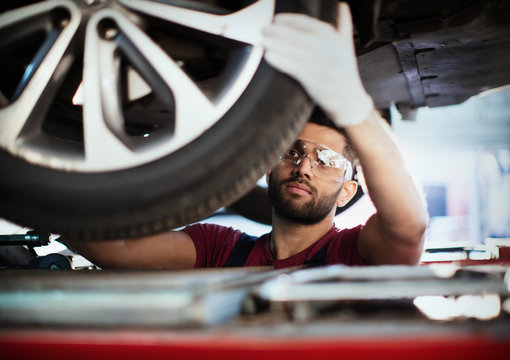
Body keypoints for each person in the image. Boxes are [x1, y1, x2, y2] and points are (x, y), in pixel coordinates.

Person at [63, 3, 428, 270]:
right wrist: (29, 191)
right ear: (267, 165)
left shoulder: (354, 253)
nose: (304, 168)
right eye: (292, 151)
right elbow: (118, 247)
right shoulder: (218, 247)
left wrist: (353, 106)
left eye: (327, 160)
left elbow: (408, 226)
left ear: (348, 190)